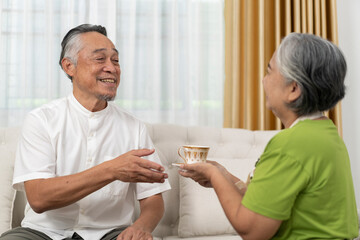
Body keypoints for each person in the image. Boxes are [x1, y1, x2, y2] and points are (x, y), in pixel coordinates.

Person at [179, 32, 359, 239]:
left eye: (269, 71)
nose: (264, 81)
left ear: (293, 89)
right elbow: (265, 204)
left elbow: (251, 229)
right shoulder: (326, 134)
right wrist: (224, 175)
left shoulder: (290, 144)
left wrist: (213, 175)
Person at [0, 24, 171, 240]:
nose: (112, 68)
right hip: (42, 233)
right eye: (100, 59)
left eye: (116, 60)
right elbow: (39, 198)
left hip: (110, 234)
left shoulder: (134, 127)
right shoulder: (41, 120)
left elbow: (153, 200)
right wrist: (112, 170)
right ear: (69, 66)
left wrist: (142, 227)